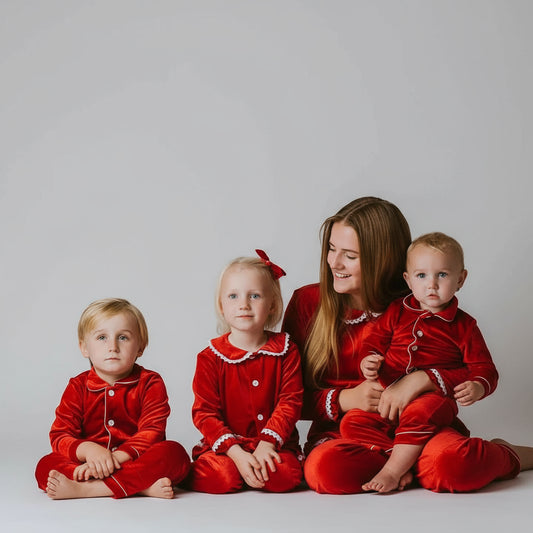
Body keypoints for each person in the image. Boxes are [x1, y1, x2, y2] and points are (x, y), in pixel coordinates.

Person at [282, 196, 533, 494]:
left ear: (383, 258)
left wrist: (422, 379)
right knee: (324, 472)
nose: (334, 262)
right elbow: (287, 398)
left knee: (454, 467)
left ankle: (507, 454)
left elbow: (470, 367)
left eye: (350, 255)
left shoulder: (420, 300)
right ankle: (398, 469)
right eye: (331, 249)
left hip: (418, 430)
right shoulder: (308, 303)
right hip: (350, 434)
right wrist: (344, 400)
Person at [352, 232, 497, 493]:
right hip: (389, 400)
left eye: (442, 275)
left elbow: (485, 369)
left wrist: (478, 385)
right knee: (352, 422)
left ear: (461, 279)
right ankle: (402, 460)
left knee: (421, 412)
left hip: (434, 399)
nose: (431, 285)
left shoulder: (464, 326)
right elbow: (374, 340)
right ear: (408, 280)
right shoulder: (397, 311)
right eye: (422, 276)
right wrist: (369, 360)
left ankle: (393, 471)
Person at [35, 298, 191, 500]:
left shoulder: (150, 382)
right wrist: (90, 452)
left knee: (176, 455)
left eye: (123, 338)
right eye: (101, 337)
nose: (113, 347)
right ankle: (139, 486)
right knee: (45, 466)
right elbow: (60, 435)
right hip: (88, 464)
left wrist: (117, 457)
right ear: (84, 347)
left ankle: (89, 489)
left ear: (141, 347)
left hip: (135, 461)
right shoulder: (78, 386)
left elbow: (152, 431)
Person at [188, 250, 304, 494]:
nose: (243, 305)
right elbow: (205, 412)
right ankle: (212, 470)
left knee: (286, 476)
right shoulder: (210, 357)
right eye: (233, 296)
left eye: (255, 296)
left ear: (272, 304)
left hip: (272, 444)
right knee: (224, 477)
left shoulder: (286, 350)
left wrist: (267, 443)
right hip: (229, 448)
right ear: (221, 305)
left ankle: (252, 469)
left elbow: (290, 401)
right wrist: (236, 453)